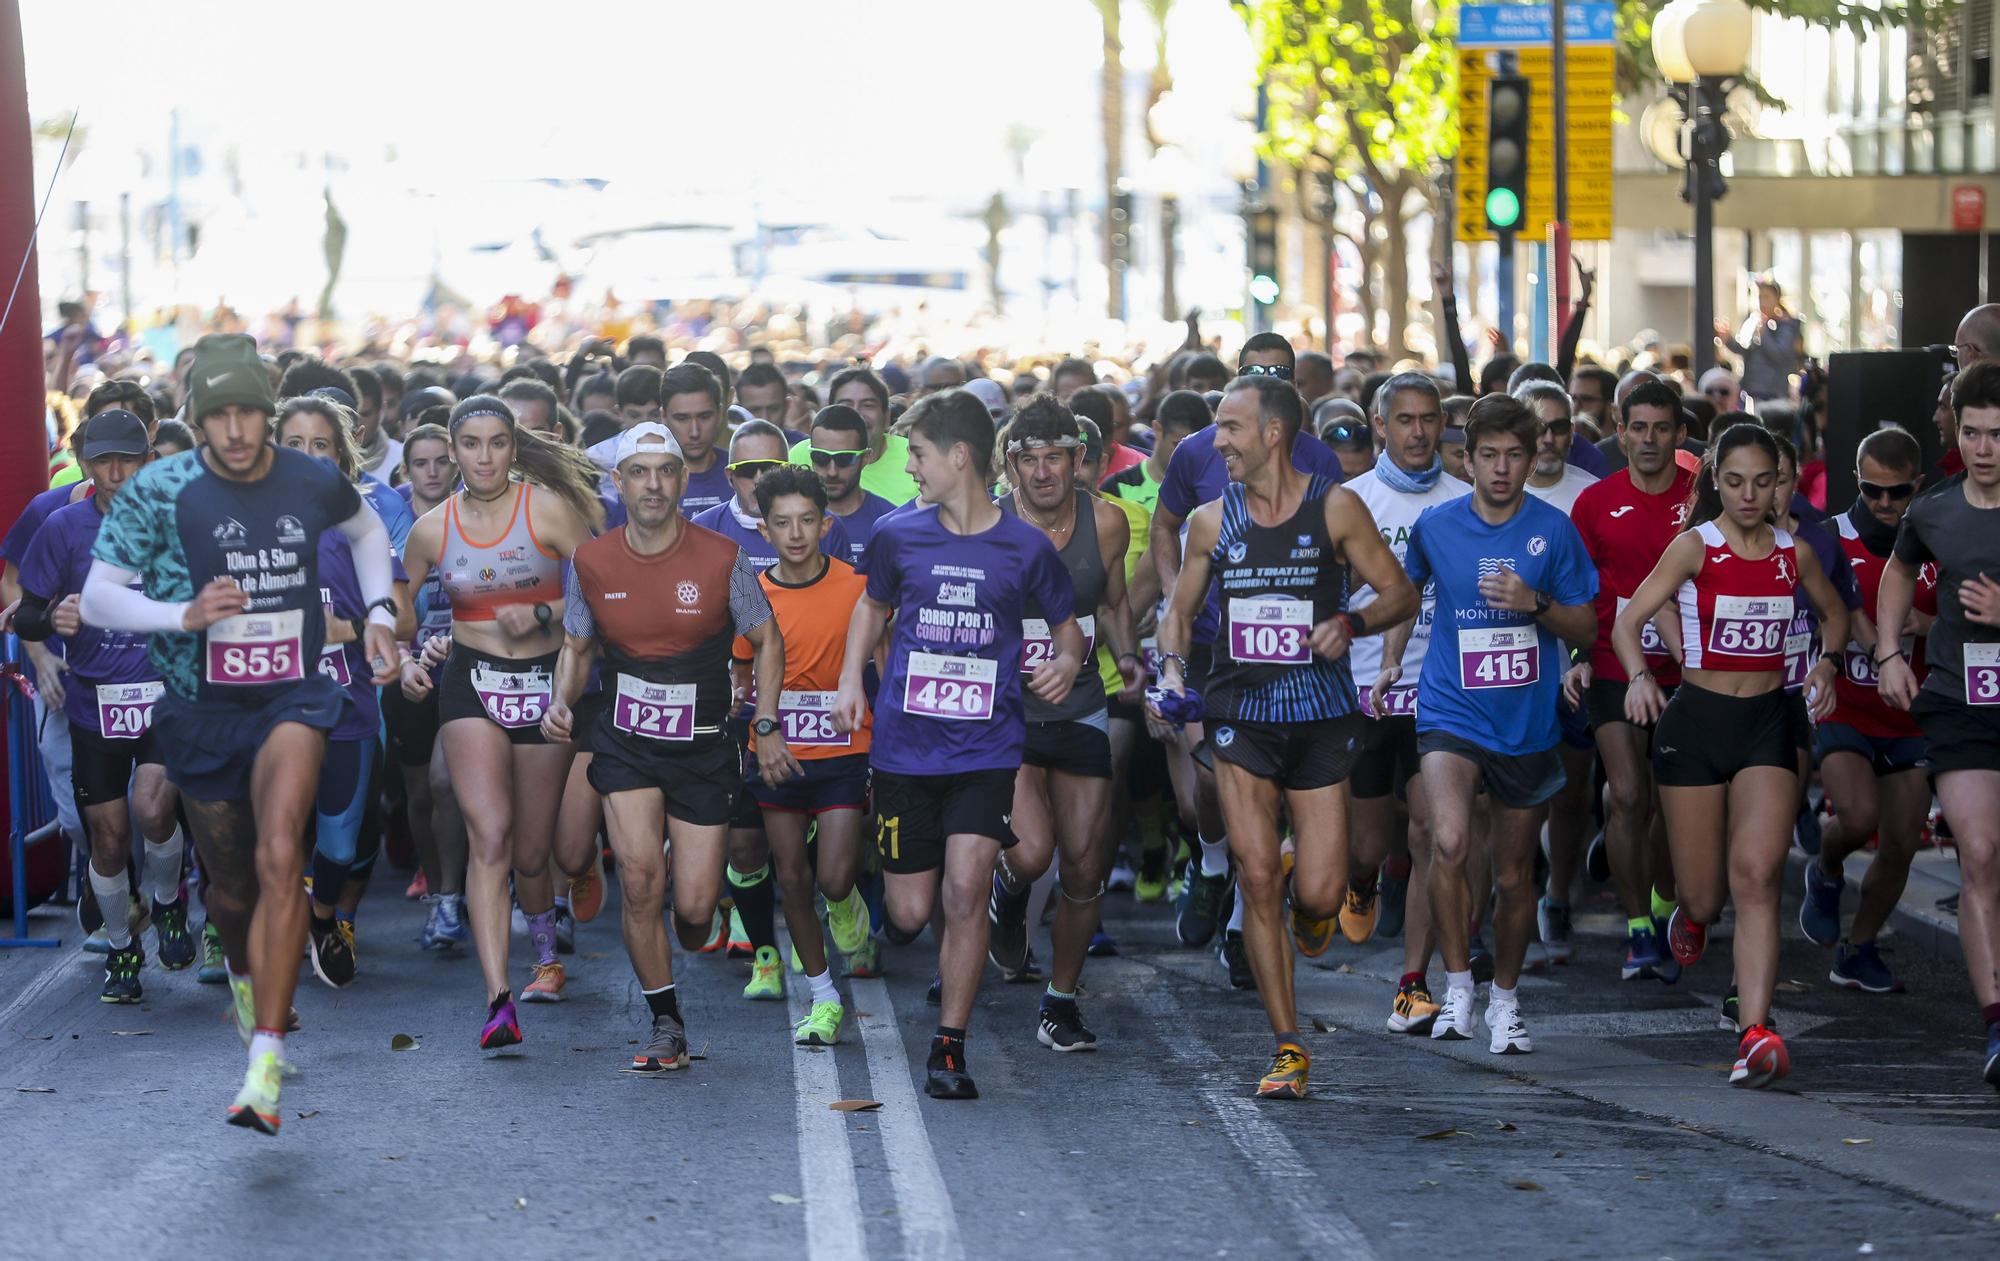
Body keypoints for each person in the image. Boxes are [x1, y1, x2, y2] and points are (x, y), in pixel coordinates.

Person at [80, 333, 402, 1134]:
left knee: (280, 854)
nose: (233, 429)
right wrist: (179, 615)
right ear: (196, 416)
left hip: (292, 692)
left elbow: (366, 533)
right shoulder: (161, 489)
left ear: (267, 411)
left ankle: (263, 1060)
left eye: (247, 412)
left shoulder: (310, 477)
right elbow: (97, 598)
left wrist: (383, 612)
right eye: (216, 414)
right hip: (200, 710)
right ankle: (252, 990)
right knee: (230, 890)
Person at [1154, 375, 1417, 1098]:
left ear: (1273, 433)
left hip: (1321, 718)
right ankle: (1288, 1045)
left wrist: (1351, 623)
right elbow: (1178, 610)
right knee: (1258, 873)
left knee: (1322, 894)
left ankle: (1315, 902)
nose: (1219, 442)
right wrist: (1173, 669)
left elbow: (1401, 592)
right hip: (1241, 715)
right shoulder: (1211, 519)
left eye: (1231, 427)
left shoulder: (1335, 507)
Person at [830, 389, 1085, 1100]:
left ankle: (950, 1044)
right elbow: (871, 608)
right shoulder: (897, 535)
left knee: (967, 889)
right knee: (911, 913)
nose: (907, 465)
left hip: (988, 748)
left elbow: (1068, 632)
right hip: (905, 749)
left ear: (959, 456)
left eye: (917, 453)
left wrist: (1066, 663)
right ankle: (941, 910)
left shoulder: (1025, 546)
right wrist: (853, 677)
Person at [544, 422, 791, 1071]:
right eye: (639, 471)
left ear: (683, 480)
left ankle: (693, 931)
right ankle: (665, 1021)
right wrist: (561, 701)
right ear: (620, 483)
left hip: (704, 747)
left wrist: (765, 724)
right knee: (639, 879)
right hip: (625, 743)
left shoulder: (720, 557)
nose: (653, 483)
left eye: (665, 470)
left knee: (693, 909)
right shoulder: (593, 562)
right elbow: (576, 645)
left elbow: (768, 639)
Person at [1615, 423, 1847, 1089]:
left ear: (1781, 484)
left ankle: (1754, 1031)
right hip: (1695, 724)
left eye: (1762, 481)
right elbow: (1628, 620)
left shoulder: (1794, 553)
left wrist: (1827, 665)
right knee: (1705, 893)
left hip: (1768, 724)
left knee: (1759, 877)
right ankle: (1688, 910)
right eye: (1735, 480)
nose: (1748, 494)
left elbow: (1836, 617)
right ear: (1718, 479)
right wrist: (1637, 677)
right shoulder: (1695, 547)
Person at [1382, 394, 1597, 1055]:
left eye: (1514, 456)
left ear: (1531, 461)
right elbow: (1404, 594)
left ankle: (1505, 996)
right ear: (1466, 459)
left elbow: (1587, 626)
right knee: (1446, 840)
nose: (1501, 469)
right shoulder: (1437, 526)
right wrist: (1391, 661)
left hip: (1526, 718)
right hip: (1450, 706)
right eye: (1489, 456)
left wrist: (1536, 603)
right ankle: (1458, 984)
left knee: (1510, 876)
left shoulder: (1553, 531)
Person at [400, 394, 602, 1046]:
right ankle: (497, 997)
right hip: (471, 688)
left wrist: (542, 615)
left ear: (513, 448)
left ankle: (546, 955)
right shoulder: (432, 528)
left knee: (531, 850)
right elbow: (397, 610)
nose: (483, 456)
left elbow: (605, 589)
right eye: (471, 444)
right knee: (490, 836)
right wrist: (409, 655)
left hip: (546, 688)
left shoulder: (545, 510)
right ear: (453, 450)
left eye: (496, 442)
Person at [1148, 346, 1346, 971]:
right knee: (1208, 785)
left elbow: (1339, 552)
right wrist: (1177, 594)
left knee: (1276, 805)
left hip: (1298, 657)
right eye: (1252, 371)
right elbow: (1164, 526)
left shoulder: (1320, 461)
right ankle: (1210, 863)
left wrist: (1340, 619)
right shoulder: (1198, 450)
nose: (1264, 381)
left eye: (1277, 374)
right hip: (1216, 640)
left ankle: (1244, 919)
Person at [14, 410, 190, 1002]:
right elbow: (27, 613)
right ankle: (121, 946)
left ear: (146, 463)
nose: (117, 473)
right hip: (94, 706)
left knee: (155, 810)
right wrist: (54, 616)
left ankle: (168, 901)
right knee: (108, 839)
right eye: (104, 461)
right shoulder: (63, 527)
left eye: (129, 460)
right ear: (86, 464)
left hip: (164, 696)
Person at [987, 397, 1143, 1050]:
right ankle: (1009, 888)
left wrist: (1130, 655)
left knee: (1083, 869)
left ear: (1079, 460)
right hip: (1007, 710)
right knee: (1032, 850)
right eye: (1031, 459)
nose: (1044, 471)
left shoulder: (1106, 522)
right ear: (1011, 464)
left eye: (1056, 457)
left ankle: (1061, 1001)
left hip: (1081, 701)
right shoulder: (986, 523)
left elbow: (1110, 603)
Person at [1875, 359, 2000, 1092]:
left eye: (1998, 435)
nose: (1985, 448)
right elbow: (1899, 569)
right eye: (1975, 432)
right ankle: (1995, 1022)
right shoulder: (1936, 508)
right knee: (1980, 851)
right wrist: (1891, 650)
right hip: (1960, 700)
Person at [275, 395, 416, 986]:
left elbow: (403, 618)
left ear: (342, 454)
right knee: (275, 836)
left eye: (321, 445)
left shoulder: (360, 522)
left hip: (347, 707)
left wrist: (347, 629)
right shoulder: (241, 524)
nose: (308, 457)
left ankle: (324, 917)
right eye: (295, 445)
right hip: (269, 710)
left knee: (337, 843)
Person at [734, 464, 876, 1045]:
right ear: (763, 530)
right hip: (776, 750)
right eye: (782, 523)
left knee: (835, 877)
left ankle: (845, 904)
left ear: (826, 523)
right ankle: (823, 998)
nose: (796, 534)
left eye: (807, 521)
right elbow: (742, 663)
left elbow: (880, 657)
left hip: (844, 746)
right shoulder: (754, 594)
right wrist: (740, 689)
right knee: (792, 877)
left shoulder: (857, 586)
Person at [1344, 373, 1469, 1034]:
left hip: (1439, 696)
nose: (1420, 432)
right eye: (1407, 419)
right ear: (1381, 424)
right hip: (1363, 694)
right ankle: (1362, 879)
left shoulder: (1466, 502)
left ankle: (1413, 982)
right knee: (1365, 843)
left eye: (1430, 419)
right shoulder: (1350, 501)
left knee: (1431, 835)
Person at [1563, 379, 1693, 980]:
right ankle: (1639, 927)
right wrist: (1580, 654)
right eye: (1637, 427)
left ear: (1679, 434)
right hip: (1614, 663)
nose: (1648, 439)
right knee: (1627, 792)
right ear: (1620, 432)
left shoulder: (1701, 498)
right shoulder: (1595, 502)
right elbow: (1578, 587)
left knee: (1671, 800)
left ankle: (1668, 899)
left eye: (1661, 428)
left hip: (1689, 667)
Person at [1801, 427, 1934, 995]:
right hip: (1846, 706)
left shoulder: (1937, 537)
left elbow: (1964, 612)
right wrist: (1877, 644)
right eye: (1872, 491)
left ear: (1917, 486)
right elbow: (1835, 609)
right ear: (1856, 481)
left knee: (1902, 840)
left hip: (1912, 714)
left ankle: (1859, 947)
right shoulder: (1831, 536)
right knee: (1857, 819)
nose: (1883, 503)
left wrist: (1927, 625)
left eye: (1897, 492)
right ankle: (1825, 870)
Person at [385, 424, 471, 949]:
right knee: (419, 792)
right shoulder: (389, 515)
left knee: (445, 784)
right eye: (422, 463)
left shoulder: (475, 513)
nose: (433, 471)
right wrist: (399, 657)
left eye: (442, 461)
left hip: (466, 667)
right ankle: (437, 881)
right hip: (407, 670)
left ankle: (451, 897)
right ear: (406, 470)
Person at [789, 366, 920, 505]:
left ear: (886, 416)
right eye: (846, 405)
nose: (856, 414)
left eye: (868, 405)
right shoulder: (802, 454)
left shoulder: (914, 455)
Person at [806, 404, 897, 565]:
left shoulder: (892, 522)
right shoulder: (792, 523)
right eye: (821, 457)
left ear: (866, 458)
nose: (832, 471)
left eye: (844, 459)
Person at [1515, 382, 1599, 514]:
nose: (1549, 439)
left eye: (1559, 427)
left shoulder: (1595, 494)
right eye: (1538, 427)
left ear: (1571, 432)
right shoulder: (1494, 493)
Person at [1717, 277, 1805, 403]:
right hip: (1752, 390)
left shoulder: (1787, 325)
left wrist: (1764, 334)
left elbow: (1780, 354)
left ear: (1777, 298)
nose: (1762, 302)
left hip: (1775, 392)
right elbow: (1745, 350)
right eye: (1760, 297)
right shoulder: (1754, 321)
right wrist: (1727, 339)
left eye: (1767, 297)